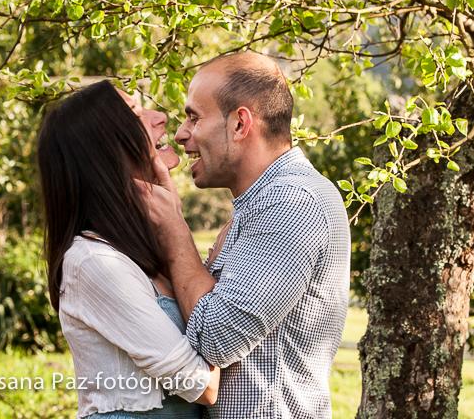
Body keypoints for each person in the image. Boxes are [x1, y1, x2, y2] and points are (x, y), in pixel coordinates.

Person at [138, 52, 350, 419]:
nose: (181, 133)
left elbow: (215, 337)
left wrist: (175, 232)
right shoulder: (260, 202)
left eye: (194, 117)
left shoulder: (291, 202)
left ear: (239, 124)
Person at [37, 80, 221, 418]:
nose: (161, 118)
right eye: (135, 113)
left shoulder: (141, 248)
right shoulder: (94, 261)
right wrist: (177, 229)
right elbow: (203, 386)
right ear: (104, 150)